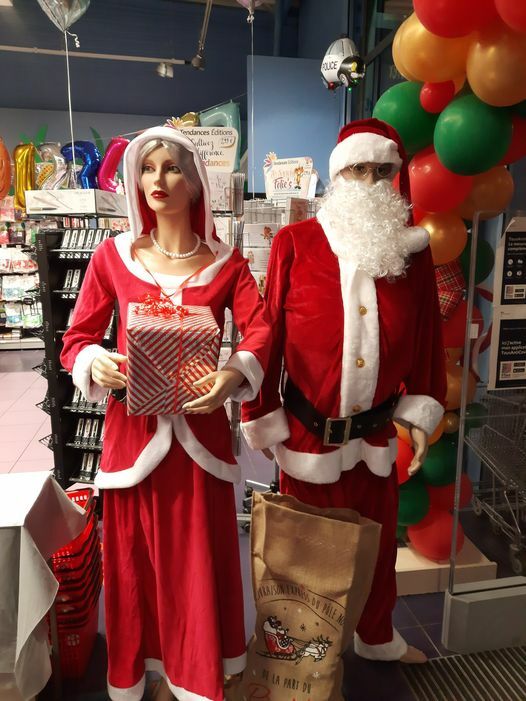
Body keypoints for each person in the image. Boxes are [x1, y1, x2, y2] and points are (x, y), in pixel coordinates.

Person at [61, 125, 270, 701]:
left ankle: (197, 676)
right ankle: (147, 674)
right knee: (136, 567)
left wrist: (234, 372)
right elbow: (76, 338)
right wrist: (96, 361)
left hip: (202, 447)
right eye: (148, 168)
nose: (159, 179)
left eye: (173, 167)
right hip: (133, 445)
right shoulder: (113, 258)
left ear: (196, 181)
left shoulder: (227, 265)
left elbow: (260, 330)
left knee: (197, 562)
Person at [241, 118, 446, 664]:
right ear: (338, 175)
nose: (371, 181)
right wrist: (262, 414)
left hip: (376, 437)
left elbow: (427, 336)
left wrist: (419, 414)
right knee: (300, 556)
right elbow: (268, 334)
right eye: (359, 169)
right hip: (308, 437)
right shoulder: (295, 244)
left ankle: (377, 638)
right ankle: (298, 662)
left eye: (383, 171)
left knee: (377, 552)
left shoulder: (413, 253)